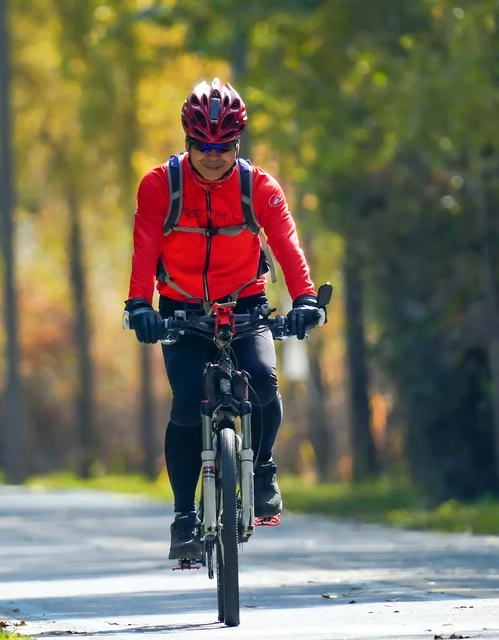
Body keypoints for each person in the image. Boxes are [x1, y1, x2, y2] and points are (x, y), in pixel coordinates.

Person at [124, 77, 325, 560]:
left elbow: (287, 245)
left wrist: (304, 300)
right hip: (182, 311)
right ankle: (182, 516)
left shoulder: (259, 187)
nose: (213, 155)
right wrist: (139, 306)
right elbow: (145, 246)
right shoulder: (159, 186)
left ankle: (263, 469)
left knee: (262, 380)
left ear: (238, 142)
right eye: (202, 144)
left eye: (224, 145)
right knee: (189, 398)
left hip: (246, 305)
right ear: (188, 140)